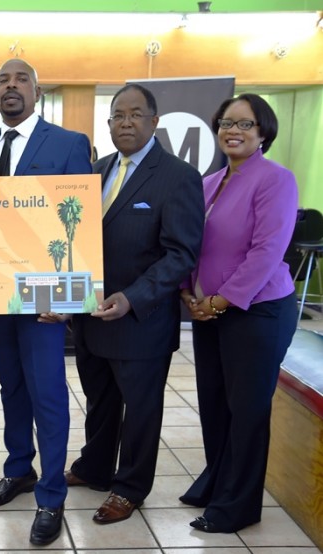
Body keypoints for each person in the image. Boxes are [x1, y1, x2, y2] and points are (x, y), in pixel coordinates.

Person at [64, 84, 204, 525]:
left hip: (141, 319)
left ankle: (130, 487)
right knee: (99, 400)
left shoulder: (178, 176)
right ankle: (96, 467)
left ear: (154, 121)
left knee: (141, 410)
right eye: (116, 116)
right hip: (92, 317)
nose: (125, 123)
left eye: (135, 115)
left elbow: (181, 253)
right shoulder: (96, 170)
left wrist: (133, 297)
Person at [0, 58, 92, 546]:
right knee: (10, 387)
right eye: (2, 80)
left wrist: (69, 297)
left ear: (37, 92)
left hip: (46, 293)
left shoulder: (67, 144)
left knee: (48, 393)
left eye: (21, 80)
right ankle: (18, 469)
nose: (11, 86)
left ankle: (51, 494)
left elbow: (78, 222)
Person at [178, 94, 298, 534]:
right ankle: (219, 481)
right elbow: (190, 245)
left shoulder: (276, 181)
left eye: (245, 124)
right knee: (214, 404)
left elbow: (267, 252)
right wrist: (189, 294)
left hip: (257, 311)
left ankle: (239, 505)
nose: (233, 130)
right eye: (226, 122)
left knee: (246, 409)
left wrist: (219, 301)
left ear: (263, 132)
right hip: (208, 311)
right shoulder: (209, 183)